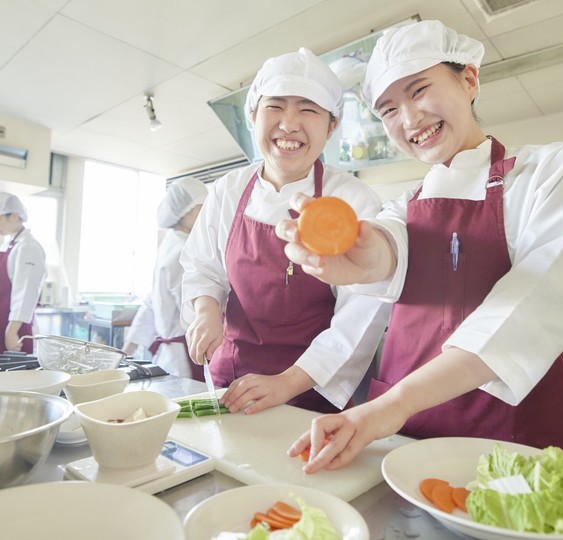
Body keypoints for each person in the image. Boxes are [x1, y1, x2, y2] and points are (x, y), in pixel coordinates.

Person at [276, 20, 563, 474]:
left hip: (516, 440)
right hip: (410, 441)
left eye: (418, 90)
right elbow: (386, 250)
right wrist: (356, 253)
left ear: (469, 80)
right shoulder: (403, 206)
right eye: (388, 110)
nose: (409, 120)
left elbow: (529, 308)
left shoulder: (552, 172)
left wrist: (394, 404)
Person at [180, 48, 391, 415]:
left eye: (308, 109)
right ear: (253, 115)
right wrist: (206, 310)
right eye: (275, 106)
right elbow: (203, 268)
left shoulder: (353, 200)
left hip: (310, 390)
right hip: (230, 380)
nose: (289, 124)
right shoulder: (227, 190)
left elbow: (362, 315)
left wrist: (288, 382)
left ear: (331, 126)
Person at [123, 178, 207, 379]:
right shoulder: (184, 250)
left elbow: (151, 303)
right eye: (201, 209)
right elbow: (193, 311)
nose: (206, 216)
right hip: (185, 356)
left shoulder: (170, 245)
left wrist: (126, 351)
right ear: (186, 211)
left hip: (169, 355)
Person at [0, 193, 46, 354]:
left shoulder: (28, 247)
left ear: (13, 216)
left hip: (15, 328)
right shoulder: (10, 244)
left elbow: (26, 292)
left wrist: (12, 331)